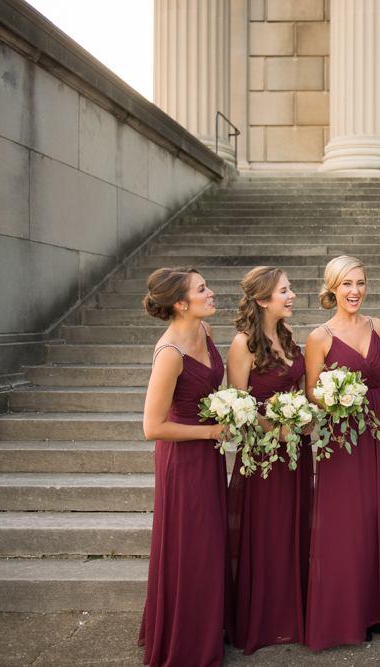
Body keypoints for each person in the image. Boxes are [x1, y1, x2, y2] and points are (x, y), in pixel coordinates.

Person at [303, 255, 380, 650]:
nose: (355, 291)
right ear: (332, 287)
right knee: (346, 520)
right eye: (347, 284)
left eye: (361, 283)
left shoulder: (379, 326)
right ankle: (348, 612)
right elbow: (311, 391)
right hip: (341, 434)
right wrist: (334, 395)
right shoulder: (319, 336)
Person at [138, 266, 228, 667]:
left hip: (209, 455)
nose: (211, 294)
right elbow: (152, 426)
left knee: (209, 544)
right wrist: (210, 433)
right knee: (190, 546)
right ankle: (186, 641)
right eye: (202, 289)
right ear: (180, 303)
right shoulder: (170, 353)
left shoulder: (205, 333)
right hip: (184, 460)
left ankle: (206, 628)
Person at [225, 267, 313, 654]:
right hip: (263, 454)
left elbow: (301, 388)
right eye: (284, 291)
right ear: (262, 300)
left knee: (295, 526)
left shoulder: (290, 336)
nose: (292, 295)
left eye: (290, 289)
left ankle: (293, 614)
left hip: (296, 450)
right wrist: (274, 429)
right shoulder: (243, 344)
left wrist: (305, 417)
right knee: (267, 531)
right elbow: (238, 407)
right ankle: (263, 618)